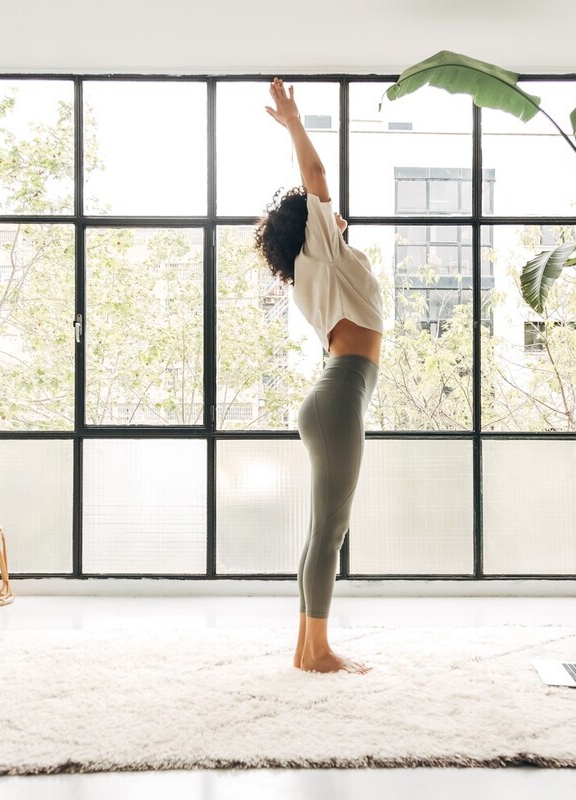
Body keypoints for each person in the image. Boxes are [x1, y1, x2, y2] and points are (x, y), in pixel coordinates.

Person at [255, 78, 384, 674]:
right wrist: (294, 124)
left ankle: (307, 648)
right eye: (321, 209)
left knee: (321, 529)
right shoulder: (324, 249)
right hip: (338, 397)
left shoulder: (319, 263)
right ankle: (320, 651)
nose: (330, 206)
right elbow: (315, 175)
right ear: (309, 222)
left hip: (336, 395)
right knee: (329, 531)